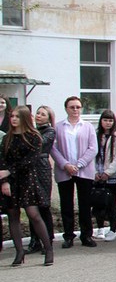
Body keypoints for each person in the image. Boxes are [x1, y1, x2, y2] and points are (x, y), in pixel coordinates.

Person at [0, 106, 55, 266]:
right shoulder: (7, 138)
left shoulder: (33, 137)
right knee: (13, 216)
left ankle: (48, 248)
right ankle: (19, 252)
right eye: (12, 116)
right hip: (11, 182)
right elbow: (2, 160)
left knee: (34, 214)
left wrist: (9, 172)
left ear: (24, 118)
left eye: (17, 116)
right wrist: (4, 181)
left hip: (27, 179)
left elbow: (30, 160)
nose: (14, 119)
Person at [51, 96, 98, 248]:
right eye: (72, 107)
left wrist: (79, 164)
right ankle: (69, 236)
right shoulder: (58, 127)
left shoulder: (88, 126)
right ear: (66, 109)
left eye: (78, 107)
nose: (75, 110)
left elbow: (93, 148)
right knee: (66, 204)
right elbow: (53, 148)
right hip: (64, 171)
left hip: (84, 171)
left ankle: (86, 235)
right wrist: (65, 165)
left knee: (85, 204)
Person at [93, 109, 116, 242]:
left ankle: (113, 230)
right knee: (98, 202)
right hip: (97, 174)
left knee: (112, 203)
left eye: (110, 120)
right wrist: (95, 172)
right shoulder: (95, 135)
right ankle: (100, 228)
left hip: (113, 175)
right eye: (105, 120)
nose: (108, 123)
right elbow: (92, 154)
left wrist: (108, 172)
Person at [27, 106, 58, 251]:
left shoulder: (50, 131)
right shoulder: (32, 130)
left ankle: (48, 239)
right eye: (38, 113)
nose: (39, 116)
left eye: (43, 114)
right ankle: (34, 240)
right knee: (31, 205)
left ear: (49, 117)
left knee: (44, 205)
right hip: (29, 167)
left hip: (42, 167)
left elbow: (37, 143)